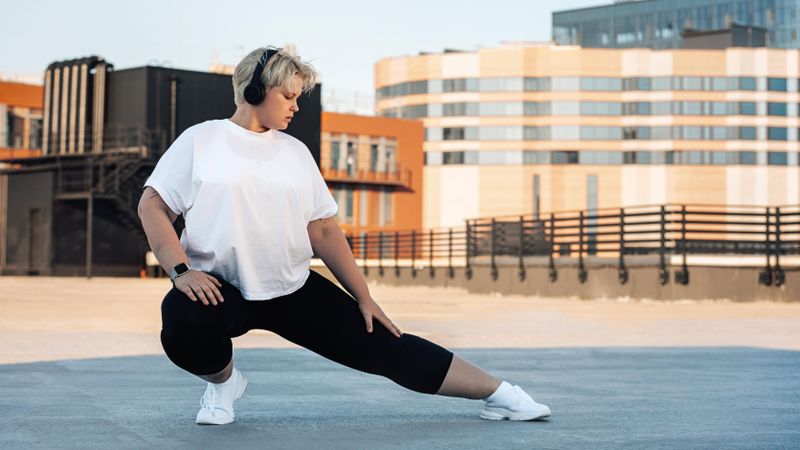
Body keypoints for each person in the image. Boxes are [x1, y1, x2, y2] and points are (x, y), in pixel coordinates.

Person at [137, 45, 551, 425]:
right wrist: (181, 271)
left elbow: (324, 229)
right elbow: (153, 205)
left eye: (299, 97)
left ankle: (500, 393)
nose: (296, 106)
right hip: (220, 288)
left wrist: (364, 298)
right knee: (182, 319)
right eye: (288, 96)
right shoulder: (202, 140)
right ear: (254, 90)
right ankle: (224, 384)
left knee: (388, 346)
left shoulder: (295, 154)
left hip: (290, 288)